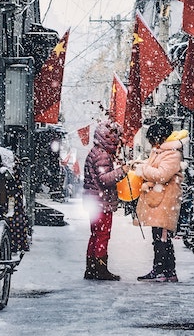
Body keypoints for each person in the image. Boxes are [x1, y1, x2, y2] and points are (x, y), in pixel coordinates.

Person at [133, 117, 187, 283]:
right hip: (159, 201)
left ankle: (162, 269)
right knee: (159, 237)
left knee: (162, 238)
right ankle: (166, 270)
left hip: (166, 201)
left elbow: (161, 174)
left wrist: (143, 169)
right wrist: (142, 165)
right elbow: (155, 169)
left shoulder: (171, 154)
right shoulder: (162, 151)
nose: (152, 145)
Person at [83, 120, 129, 280]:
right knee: (102, 235)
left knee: (95, 234)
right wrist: (122, 171)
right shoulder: (102, 155)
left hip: (94, 202)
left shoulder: (95, 152)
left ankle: (91, 268)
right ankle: (100, 269)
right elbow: (104, 179)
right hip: (101, 203)